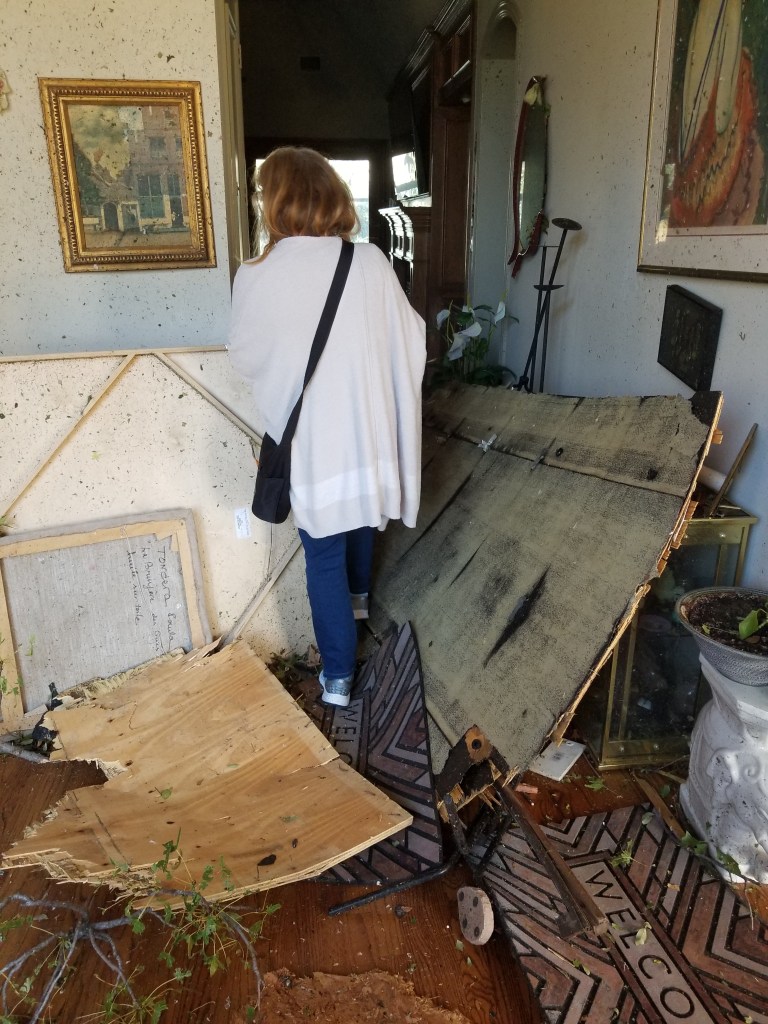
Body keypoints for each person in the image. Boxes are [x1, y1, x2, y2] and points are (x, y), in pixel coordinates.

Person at [228, 146, 426, 709]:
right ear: (331, 194)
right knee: (361, 517)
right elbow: (412, 339)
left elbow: (245, 356)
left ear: (273, 201)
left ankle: (337, 679)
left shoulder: (256, 275)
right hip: (365, 435)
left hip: (312, 443)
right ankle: (357, 609)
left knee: (322, 555)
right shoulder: (370, 262)